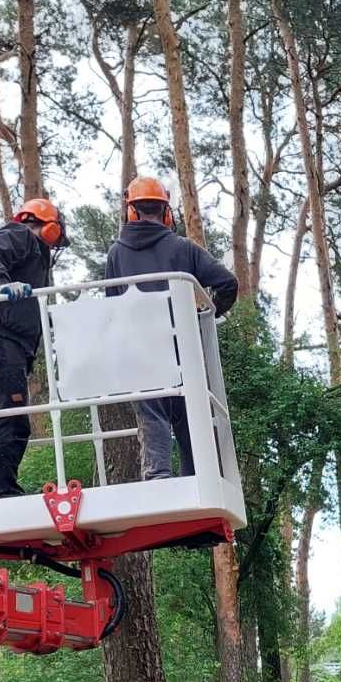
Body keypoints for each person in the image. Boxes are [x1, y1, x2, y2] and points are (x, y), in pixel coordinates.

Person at [104, 177, 238, 480]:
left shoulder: (116, 254)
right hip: (180, 349)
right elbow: (228, 284)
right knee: (189, 414)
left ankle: (159, 476)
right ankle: (198, 475)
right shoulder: (182, 248)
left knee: (152, 412)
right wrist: (208, 313)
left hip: (137, 352)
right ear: (167, 213)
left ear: (130, 212)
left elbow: (110, 308)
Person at [0, 198, 63, 500]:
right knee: (13, 418)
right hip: (3, 341)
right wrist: (1, 284)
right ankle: (1, 492)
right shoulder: (22, 236)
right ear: (49, 227)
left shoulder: (28, 248)